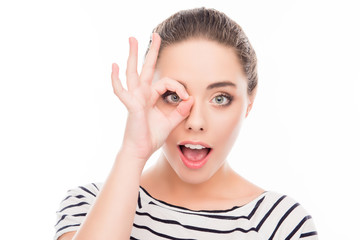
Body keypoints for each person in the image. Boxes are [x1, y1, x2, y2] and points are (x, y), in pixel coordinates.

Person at [54, 7, 318, 240]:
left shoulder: (282, 225)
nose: (196, 122)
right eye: (173, 95)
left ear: (250, 100)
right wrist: (133, 153)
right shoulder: (88, 205)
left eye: (220, 98)